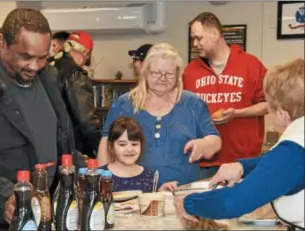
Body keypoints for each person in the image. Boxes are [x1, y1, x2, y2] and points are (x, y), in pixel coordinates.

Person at [0, 8, 85, 227]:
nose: (35, 66)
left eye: (42, 57)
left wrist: (82, 169)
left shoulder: (47, 76)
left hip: (45, 211)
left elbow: (61, 138)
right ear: (2, 42)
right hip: (1, 220)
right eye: (26, 56)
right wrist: (4, 197)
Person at [175, 58, 304, 230]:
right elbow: (284, 165)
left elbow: (232, 202)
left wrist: (188, 203)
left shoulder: (292, 151)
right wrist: (242, 166)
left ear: (281, 113)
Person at [97, 43, 221, 186]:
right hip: (134, 192)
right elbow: (107, 143)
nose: (163, 78)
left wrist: (204, 144)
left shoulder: (193, 103)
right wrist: (103, 182)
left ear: (178, 74)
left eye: (169, 74)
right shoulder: (123, 104)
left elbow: (215, 140)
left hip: (182, 191)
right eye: (156, 73)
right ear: (145, 72)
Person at [182, 12, 268, 179]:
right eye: (193, 39)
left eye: (199, 38)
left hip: (243, 162)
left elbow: (269, 104)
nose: (195, 44)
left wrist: (237, 113)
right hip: (205, 162)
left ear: (215, 34)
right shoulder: (190, 71)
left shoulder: (250, 64)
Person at [49, 31, 101, 158]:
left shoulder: (47, 65)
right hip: (70, 148)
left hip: (46, 142)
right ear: (86, 53)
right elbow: (86, 120)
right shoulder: (75, 74)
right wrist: (99, 147)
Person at [101, 116, 179, 192]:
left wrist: (161, 192)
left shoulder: (149, 176)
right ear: (111, 146)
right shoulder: (99, 176)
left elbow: (150, 200)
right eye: (122, 144)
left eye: (134, 144)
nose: (129, 149)